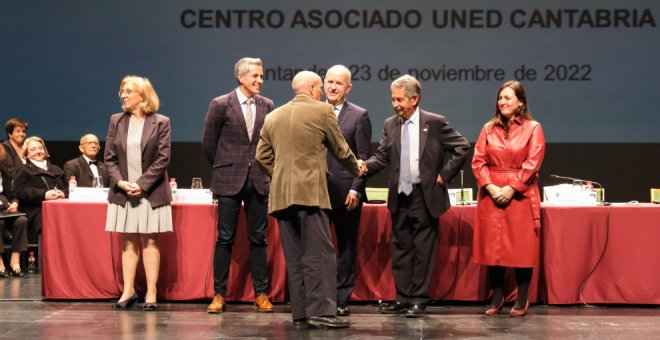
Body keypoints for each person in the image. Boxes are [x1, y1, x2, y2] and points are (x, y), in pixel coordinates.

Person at [255, 71, 364, 328]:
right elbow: (340, 149)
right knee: (321, 254)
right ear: (314, 88)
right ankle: (323, 313)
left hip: (282, 197)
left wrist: (281, 175)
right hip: (310, 195)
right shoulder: (322, 112)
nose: (323, 92)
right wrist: (357, 168)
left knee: (295, 257)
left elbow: (262, 156)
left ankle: (301, 315)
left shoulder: (273, 116)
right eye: (320, 88)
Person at [363, 75, 470, 318]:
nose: (395, 104)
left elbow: (462, 146)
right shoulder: (391, 124)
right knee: (400, 249)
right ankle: (402, 298)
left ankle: (418, 300)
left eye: (399, 99)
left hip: (424, 196)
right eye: (392, 99)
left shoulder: (435, 123)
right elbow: (381, 157)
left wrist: (445, 174)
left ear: (415, 98)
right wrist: (363, 167)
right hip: (400, 196)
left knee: (423, 250)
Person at [202, 57, 275, 314]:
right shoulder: (221, 104)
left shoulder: (268, 105)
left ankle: (261, 293)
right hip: (228, 180)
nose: (260, 80)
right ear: (240, 77)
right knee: (225, 239)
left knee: (259, 239)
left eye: (261, 76)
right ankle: (219, 294)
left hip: (258, 180)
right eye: (255, 76)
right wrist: (226, 166)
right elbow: (209, 144)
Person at [471, 81, 546, 317]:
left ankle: (522, 298)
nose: (502, 102)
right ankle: (497, 294)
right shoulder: (487, 128)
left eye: (508, 98)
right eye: (500, 98)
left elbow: (532, 163)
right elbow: (478, 161)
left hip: (520, 194)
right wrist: (491, 187)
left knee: (521, 248)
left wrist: (512, 189)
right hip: (491, 192)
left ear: (520, 102)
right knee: (493, 247)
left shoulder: (533, 128)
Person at [104, 75, 173, 311]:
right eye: (121, 90)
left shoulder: (161, 122)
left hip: (150, 192)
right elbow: (109, 159)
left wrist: (141, 184)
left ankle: (151, 292)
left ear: (142, 96)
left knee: (150, 239)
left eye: (128, 91)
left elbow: (163, 159)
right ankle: (128, 290)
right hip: (123, 192)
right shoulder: (116, 120)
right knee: (128, 241)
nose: (122, 94)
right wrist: (121, 182)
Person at [323, 65, 372, 316]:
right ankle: (319, 298)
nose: (332, 87)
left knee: (346, 247)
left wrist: (356, 189)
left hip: (346, 193)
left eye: (338, 83)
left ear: (348, 87)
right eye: (329, 82)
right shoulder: (315, 111)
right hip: (316, 192)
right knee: (318, 249)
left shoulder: (359, 115)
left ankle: (341, 299)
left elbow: (363, 157)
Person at [14, 136, 68, 245]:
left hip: (61, 208)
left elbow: (70, 189)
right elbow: (20, 191)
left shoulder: (57, 169)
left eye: (40, 148)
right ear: (26, 153)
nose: (38, 151)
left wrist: (63, 193)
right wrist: (44, 194)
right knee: (48, 221)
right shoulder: (24, 169)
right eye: (33, 149)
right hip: (36, 210)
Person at [0, 146, 29, 278]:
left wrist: (15, 203)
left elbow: (12, 193)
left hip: (6, 210)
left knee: (21, 220)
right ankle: (0, 263)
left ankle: (15, 260)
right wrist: (5, 204)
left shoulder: (3, 170)